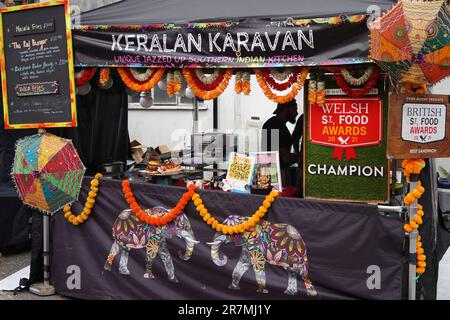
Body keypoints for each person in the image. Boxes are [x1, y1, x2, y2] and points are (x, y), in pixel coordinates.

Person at [261, 100, 298, 186]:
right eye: (295, 110)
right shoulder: (273, 126)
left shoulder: (275, 124)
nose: (296, 113)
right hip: (276, 175)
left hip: (274, 173)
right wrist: (301, 157)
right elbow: (276, 157)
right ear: (286, 110)